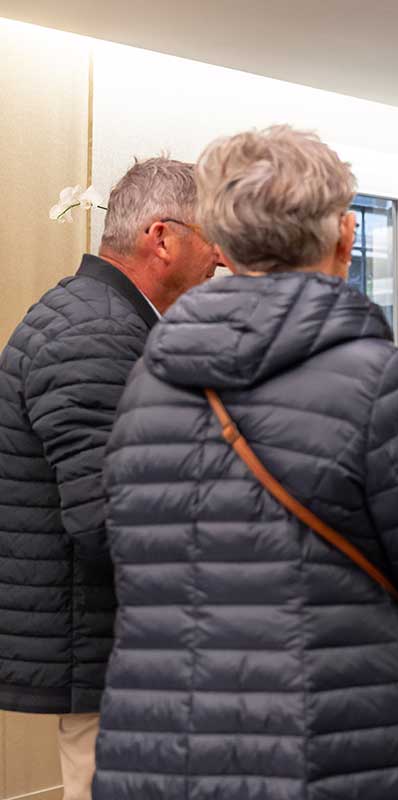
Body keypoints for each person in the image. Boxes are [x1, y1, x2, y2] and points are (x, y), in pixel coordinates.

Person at [91, 125, 398, 800]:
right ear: (344, 237)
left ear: (223, 244)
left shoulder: (147, 384)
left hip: (164, 747)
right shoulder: (378, 381)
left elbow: (138, 567)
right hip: (342, 746)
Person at [0, 158, 219, 800]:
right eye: (213, 236)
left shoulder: (102, 317)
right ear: (162, 237)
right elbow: (110, 518)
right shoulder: (97, 332)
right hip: (113, 656)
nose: (222, 257)